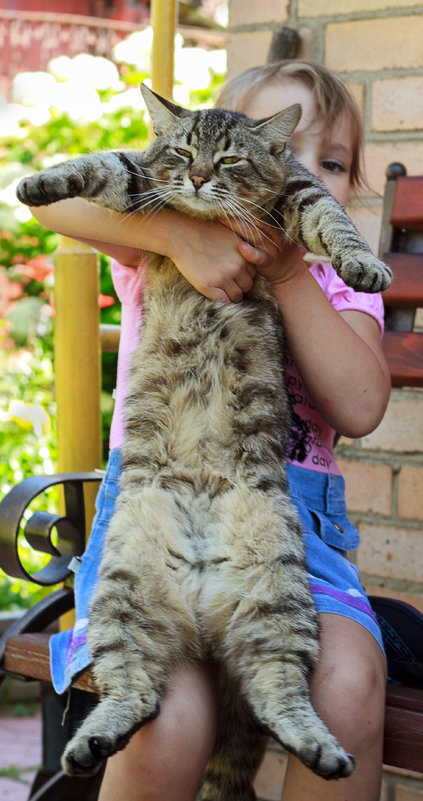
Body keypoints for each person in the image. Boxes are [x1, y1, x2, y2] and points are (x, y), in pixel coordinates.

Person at [31, 59, 390, 801]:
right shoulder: (160, 238)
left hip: (286, 535)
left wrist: (290, 275)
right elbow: (50, 201)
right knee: (168, 715)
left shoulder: (333, 278)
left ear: (347, 185)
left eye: (328, 163)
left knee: (348, 685)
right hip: (155, 521)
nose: (304, 173)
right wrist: (176, 236)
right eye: (287, 155)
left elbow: (359, 407)